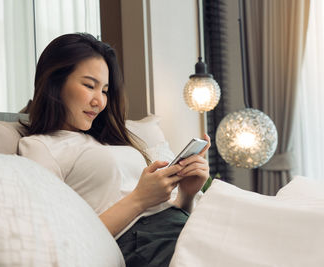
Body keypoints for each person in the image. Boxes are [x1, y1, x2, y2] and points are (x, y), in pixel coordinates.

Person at [18, 33, 210, 267]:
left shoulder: (108, 139)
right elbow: (57, 243)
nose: (99, 101)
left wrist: (187, 194)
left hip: (180, 226)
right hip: (138, 244)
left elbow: (163, 210)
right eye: (90, 86)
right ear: (55, 83)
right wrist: (139, 199)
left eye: (105, 91)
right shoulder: (40, 147)